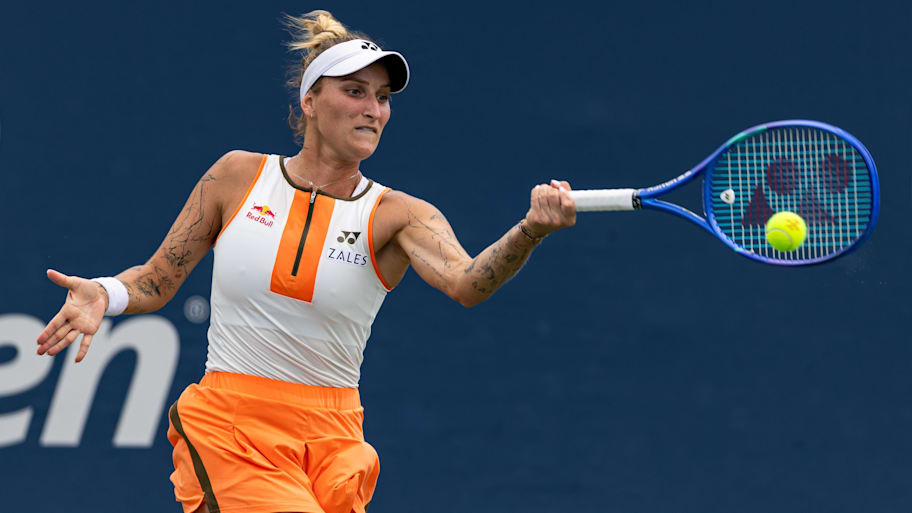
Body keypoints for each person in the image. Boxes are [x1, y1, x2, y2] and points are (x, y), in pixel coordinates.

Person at [35, 10, 576, 513]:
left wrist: (529, 230)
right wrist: (106, 291)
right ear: (311, 101)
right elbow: (157, 279)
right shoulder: (236, 175)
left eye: (383, 97)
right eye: (355, 91)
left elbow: (467, 282)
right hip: (233, 428)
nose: (373, 109)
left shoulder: (401, 215)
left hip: (336, 440)